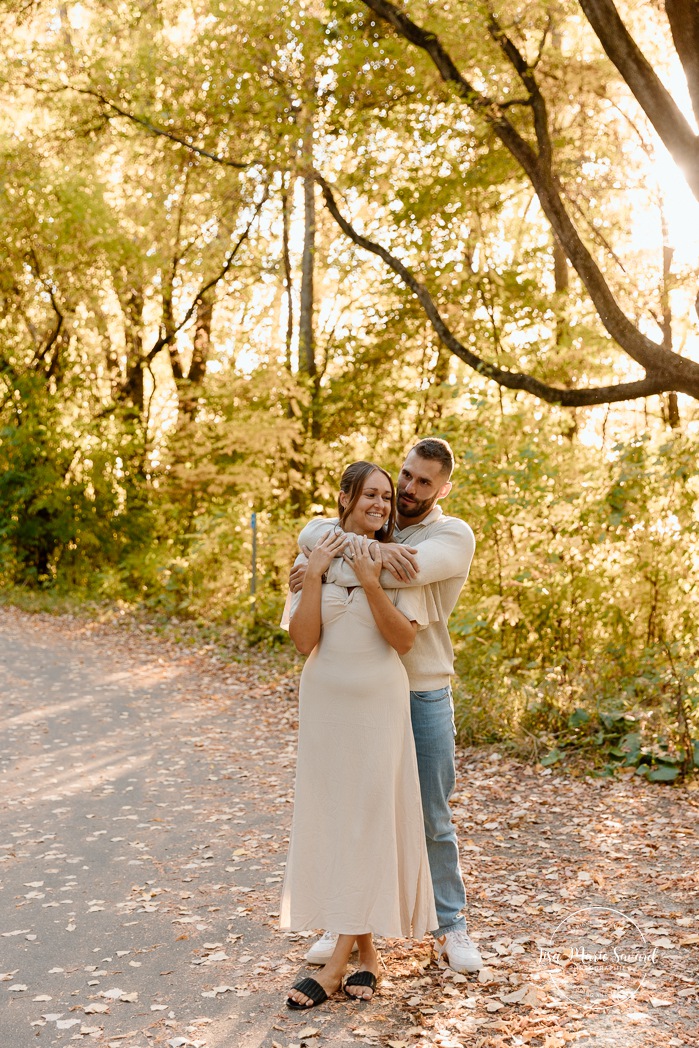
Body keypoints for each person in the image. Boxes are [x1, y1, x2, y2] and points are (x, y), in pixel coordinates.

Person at [291, 438, 482, 975]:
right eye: (405, 475)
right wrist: (332, 558)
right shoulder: (387, 528)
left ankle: (450, 927)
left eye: (424, 481)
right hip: (367, 687)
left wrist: (325, 566)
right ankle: (348, 923)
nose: (408, 488)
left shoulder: (452, 534)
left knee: (430, 815)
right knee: (358, 807)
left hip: (420, 687)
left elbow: (407, 574)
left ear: (443, 488)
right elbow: (310, 532)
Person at [281, 460, 437, 1010]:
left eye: (387, 498)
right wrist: (318, 573)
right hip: (324, 702)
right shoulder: (313, 553)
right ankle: (368, 956)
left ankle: (335, 964)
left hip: (378, 703)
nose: (381, 505)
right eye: (371, 494)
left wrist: (372, 583)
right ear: (345, 495)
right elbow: (304, 642)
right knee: (339, 817)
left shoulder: (401, 564)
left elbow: (403, 642)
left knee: (367, 817)